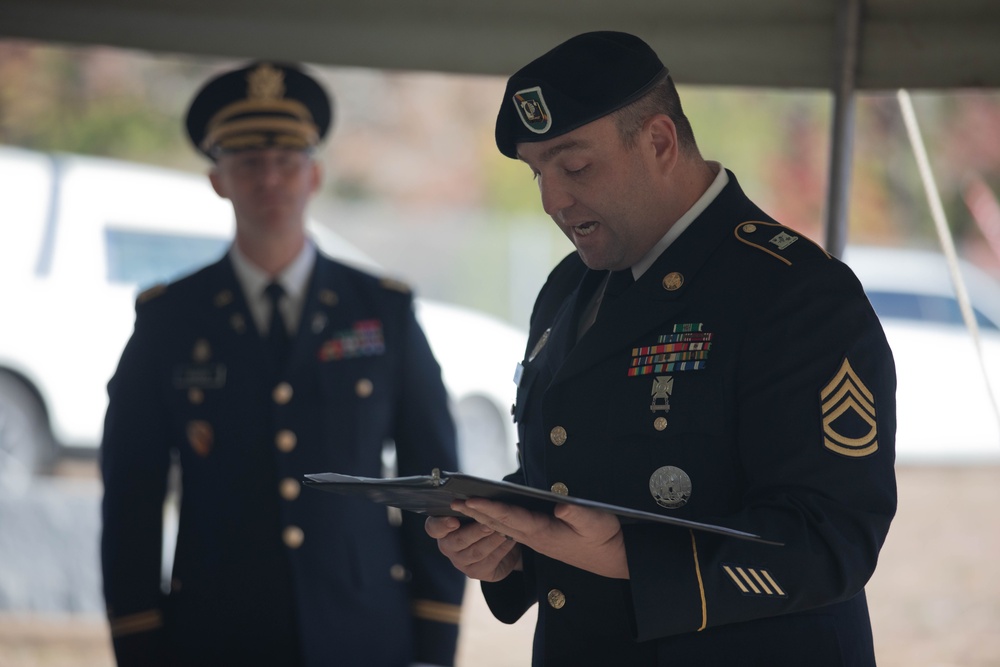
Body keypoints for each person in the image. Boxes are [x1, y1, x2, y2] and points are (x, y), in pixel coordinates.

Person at [426, 31, 897, 666]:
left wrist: (633, 558)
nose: (551, 200)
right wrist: (506, 543)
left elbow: (833, 538)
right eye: (538, 172)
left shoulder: (793, 290)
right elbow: (569, 471)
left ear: (658, 142)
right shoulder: (571, 286)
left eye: (575, 165)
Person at [100, 61, 464, 667]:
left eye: (287, 161)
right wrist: (138, 642)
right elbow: (131, 499)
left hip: (365, 634)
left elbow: (435, 485)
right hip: (215, 635)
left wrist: (434, 639)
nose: (269, 178)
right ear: (218, 179)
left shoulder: (383, 312)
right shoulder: (170, 320)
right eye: (246, 162)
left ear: (314, 174)